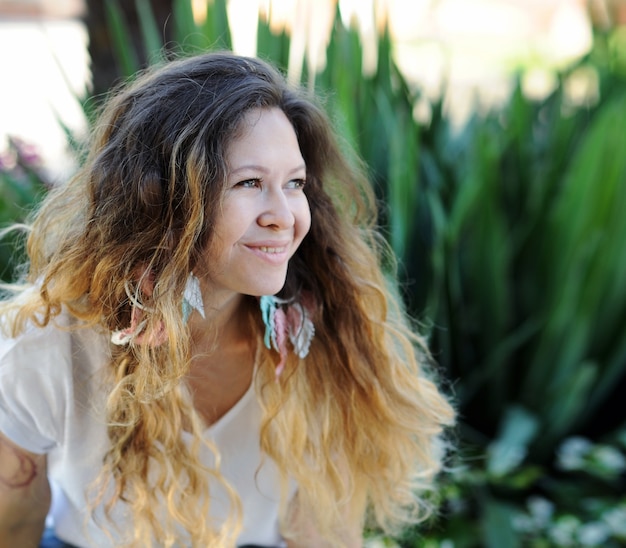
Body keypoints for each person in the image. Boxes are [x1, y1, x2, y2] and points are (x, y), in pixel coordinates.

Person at [0, 52, 454, 547]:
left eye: (294, 184)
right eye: (250, 183)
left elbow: (324, 535)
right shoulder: (47, 345)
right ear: (163, 199)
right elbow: (14, 525)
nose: (284, 216)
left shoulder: (325, 335)